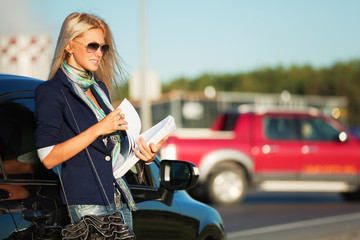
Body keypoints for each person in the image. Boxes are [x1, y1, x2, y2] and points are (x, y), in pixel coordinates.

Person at [34, 12, 167, 230]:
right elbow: (48, 157)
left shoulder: (99, 88)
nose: (99, 53)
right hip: (86, 201)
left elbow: (108, 152)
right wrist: (98, 129)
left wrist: (145, 155)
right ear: (68, 45)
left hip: (117, 194)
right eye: (92, 46)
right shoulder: (51, 92)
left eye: (103, 47)